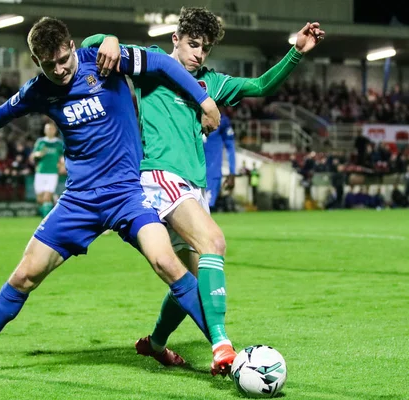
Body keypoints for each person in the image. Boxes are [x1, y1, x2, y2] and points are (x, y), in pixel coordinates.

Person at [0, 16, 221, 378]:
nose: (59, 69)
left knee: (168, 264)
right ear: (37, 62)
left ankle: (225, 350)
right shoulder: (40, 89)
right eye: (48, 65)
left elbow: (160, 62)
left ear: (70, 46)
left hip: (126, 194)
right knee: (24, 276)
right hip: (79, 200)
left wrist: (205, 100)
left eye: (63, 59)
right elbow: (1, 114)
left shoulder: (102, 59)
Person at [82, 6, 324, 375]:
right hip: (160, 177)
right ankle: (223, 346)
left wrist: (296, 51)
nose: (198, 53)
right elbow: (89, 45)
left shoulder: (212, 83)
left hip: (193, 188)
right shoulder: (154, 64)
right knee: (215, 242)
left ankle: (156, 344)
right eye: (192, 44)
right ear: (175, 40)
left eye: (205, 48)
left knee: (192, 283)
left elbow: (260, 86)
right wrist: (110, 39)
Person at [29, 120, 65, 217]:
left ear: (55, 130)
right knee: (40, 199)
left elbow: (63, 156)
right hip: (40, 172)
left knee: (47, 196)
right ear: (45, 130)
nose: (50, 130)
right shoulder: (41, 142)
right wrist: (38, 154)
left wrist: (62, 165)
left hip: (52, 172)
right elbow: (32, 156)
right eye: (48, 128)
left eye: (51, 128)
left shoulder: (58, 143)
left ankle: (46, 219)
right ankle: (43, 214)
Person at [204, 109, 236, 211]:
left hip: (211, 175)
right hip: (187, 173)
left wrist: (232, 172)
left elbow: (230, 146)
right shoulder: (189, 114)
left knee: (205, 211)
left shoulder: (222, 121)